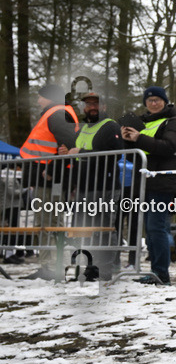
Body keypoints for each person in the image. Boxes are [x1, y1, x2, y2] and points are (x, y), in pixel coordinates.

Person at [120, 86, 176, 286]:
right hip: (145, 183)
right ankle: (155, 271)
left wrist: (139, 138)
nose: (154, 103)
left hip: (164, 182)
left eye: (158, 99)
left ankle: (161, 274)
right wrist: (128, 140)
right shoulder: (143, 123)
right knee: (150, 230)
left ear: (165, 101)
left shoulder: (174, 122)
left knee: (156, 227)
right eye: (150, 100)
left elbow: (169, 147)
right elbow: (138, 151)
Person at [20, 83, 79, 279]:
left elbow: (68, 145)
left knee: (48, 222)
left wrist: (53, 170)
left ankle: (52, 266)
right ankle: (49, 265)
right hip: (46, 178)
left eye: (40, 97)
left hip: (50, 179)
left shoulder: (57, 113)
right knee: (47, 221)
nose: (38, 101)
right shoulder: (56, 113)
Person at [63, 91, 122, 281]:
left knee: (104, 228)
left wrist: (81, 151)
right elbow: (78, 155)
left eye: (96, 104)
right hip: (83, 187)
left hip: (105, 186)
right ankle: (89, 268)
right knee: (85, 229)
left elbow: (118, 152)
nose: (92, 107)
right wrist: (67, 152)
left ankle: (104, 269)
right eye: (88, 104)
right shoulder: (82, 129)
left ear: (103, 107)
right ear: (84, 108)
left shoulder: (110, 125)